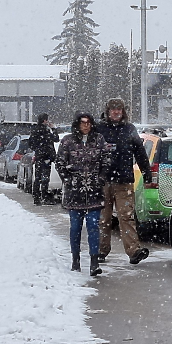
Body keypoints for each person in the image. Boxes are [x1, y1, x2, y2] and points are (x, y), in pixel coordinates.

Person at [94, 98, 152, 265]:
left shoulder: (129, 130)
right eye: (113, 109)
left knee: (126, 217)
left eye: (119, 109)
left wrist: (147, 175)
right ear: (107, 111)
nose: (116, 112)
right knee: (103, 219)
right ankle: (101, 250)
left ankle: (134, 251)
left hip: (124, 181)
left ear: (123, 111)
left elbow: (140, 154)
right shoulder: (99, 129)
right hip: (103, 181)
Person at [56, 112, 110, 276]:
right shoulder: (67, 141)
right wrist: (68, 179)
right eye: (82, 122)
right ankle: (75, 260)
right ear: (77, 124)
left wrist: (101, 178)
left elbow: (106, 160)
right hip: (75, 192)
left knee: (93, 226)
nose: (86, 125)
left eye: (88, 122)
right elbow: (59, 163)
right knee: (75, 227)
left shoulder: (99, 139)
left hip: (94, 191)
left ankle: (94, 262)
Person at [29, 113, 59, 205]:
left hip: (39, 156)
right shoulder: (45, 131)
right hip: (46, 157)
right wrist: (54, 129)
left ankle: (36, 197)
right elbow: (56, 139)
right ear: (45, 120)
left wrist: (38, 150)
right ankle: (44, 196)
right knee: (45, 177)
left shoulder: (35, 130)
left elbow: (30, 143)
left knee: (37, 177)